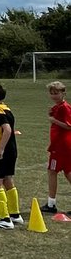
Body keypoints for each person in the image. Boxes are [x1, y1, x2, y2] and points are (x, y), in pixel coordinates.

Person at [0, 83, 23, 229]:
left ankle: (4, 219)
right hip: (12, 151)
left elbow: (6, 130)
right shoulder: (7, 108)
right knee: (8, 180)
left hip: (3, 152)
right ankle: (15, 215)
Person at [44, 80, 71, 214]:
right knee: (67, 172)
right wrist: (51, 114)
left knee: (52, 171)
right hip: (61, 145)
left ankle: (51, 204)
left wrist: (54, 120)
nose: (54, 96)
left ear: (63, 93)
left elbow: (68, 125)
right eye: (52, 93)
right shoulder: (58, 107)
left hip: (61, 146)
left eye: (57, 93)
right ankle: (51, 203)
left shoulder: (64, 107)